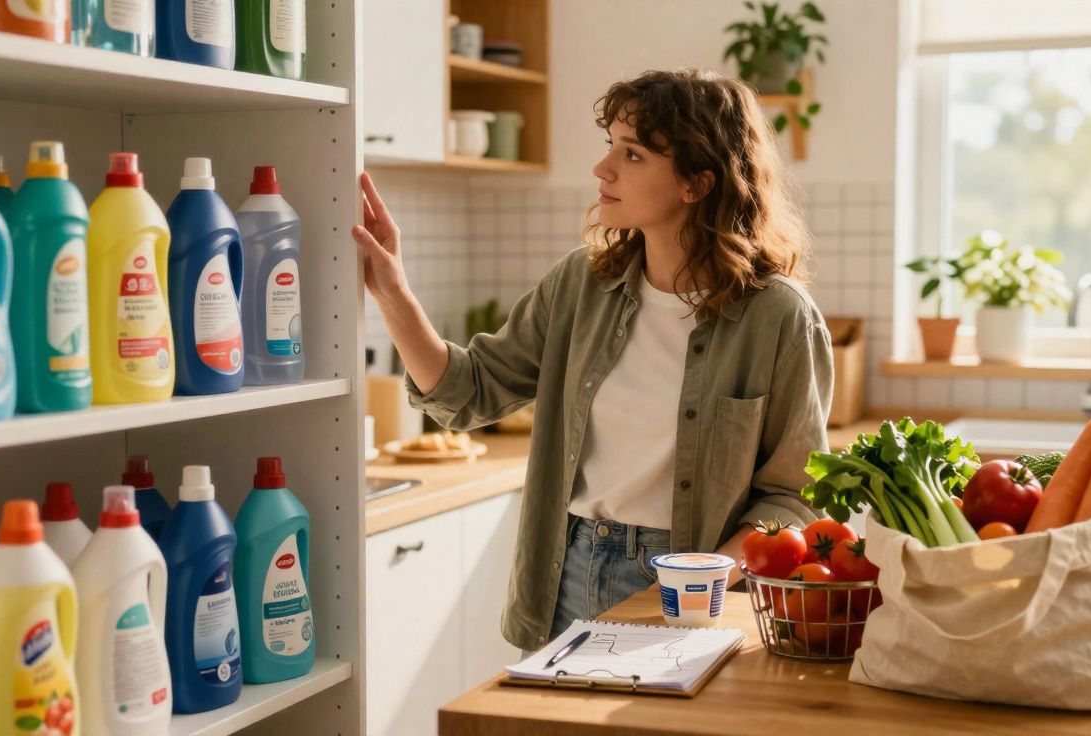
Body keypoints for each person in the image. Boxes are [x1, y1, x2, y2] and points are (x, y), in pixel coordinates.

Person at [353, 68, 833, 653]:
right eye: (611, 146)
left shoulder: (779, 316)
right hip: (568, 568)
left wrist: (704, 575)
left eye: (631, 155)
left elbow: (794, 495)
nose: (602, 169)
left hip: (694, 586)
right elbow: (467, 391)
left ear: (697, 183)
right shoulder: (580, 285)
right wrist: (392, 289)